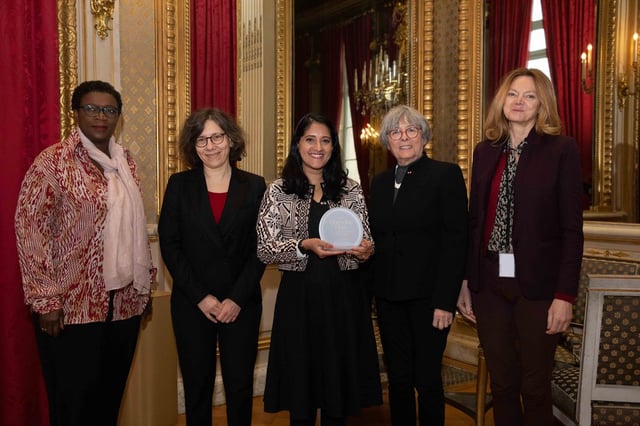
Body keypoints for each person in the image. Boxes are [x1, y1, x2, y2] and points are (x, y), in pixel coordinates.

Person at [15, 80, 155, 426]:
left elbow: (136, 230)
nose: (101, 116)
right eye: (91, 108)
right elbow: (30, 231)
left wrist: (145, 285)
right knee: (73, 406)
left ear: (118, 116)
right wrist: (46, 301)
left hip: (123, 305)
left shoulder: (127, 163)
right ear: (75, 112)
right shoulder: (53, 163)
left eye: (109, 110)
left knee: (108, 401)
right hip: (71, 310)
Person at [457, 68, 584, 426]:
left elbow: (572, 230)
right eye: (513, 94)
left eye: (529, 95)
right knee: (503, 383)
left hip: (540, 288)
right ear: (502, 100)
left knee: (534, 385)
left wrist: (565, 296)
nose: (519, 101)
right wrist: (467, 281)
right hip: (489, 282)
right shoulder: (485, 152)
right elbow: (474, 223)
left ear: (542, 104)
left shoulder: (562, 150)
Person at [256, 113, 382, 425]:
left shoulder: (349, 189)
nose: (318, 147)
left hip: (344, 300)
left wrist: (367, 250)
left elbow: (366, 239)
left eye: (325, 140)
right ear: (298, 145)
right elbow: (263, 248)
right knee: (301, 392)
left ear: (333, 147)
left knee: (337, 396)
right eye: (310, 139)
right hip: (299, 302)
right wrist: (303, 245)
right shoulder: (278, 190)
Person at [158, 108, 266, 425]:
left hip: (241, 303)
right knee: (197, 387)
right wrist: (201, 297)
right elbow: (170, 245)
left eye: (217, 136)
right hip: (193, 304)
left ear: (231, 140)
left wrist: (236, 299)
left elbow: (260, 248)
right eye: (202, 139)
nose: (211, 145)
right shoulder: (179, 185)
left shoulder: (256, 186)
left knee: (239, 386)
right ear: (193, 146)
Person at [367, 104, 468, 426]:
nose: (404, 137)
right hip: (388, 297)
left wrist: (444, 301)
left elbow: (456, 242)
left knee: (426, 379)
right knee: (397, 378)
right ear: (386, 141)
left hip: (429, 299)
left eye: (411, 130)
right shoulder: (379, 183)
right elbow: (377, 237)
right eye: (395, 132)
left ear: (423, 136)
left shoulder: (446, 174)